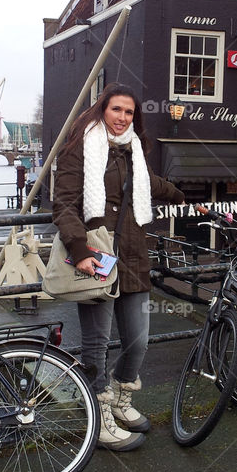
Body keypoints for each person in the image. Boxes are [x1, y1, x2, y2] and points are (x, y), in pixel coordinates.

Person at [52, 83, 185, 451]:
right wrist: (79, 249)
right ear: (102, 110)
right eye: (116, 110)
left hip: (133, 254)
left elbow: (145, 184)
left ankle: (121, 399)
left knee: (138, 341)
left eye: (129, 112)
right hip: (98, 255)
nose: (122, 117)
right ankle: (99, 413)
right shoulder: (80, 147)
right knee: (96, 345)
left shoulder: (133, 150)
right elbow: (63, 203)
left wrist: (181, 194)